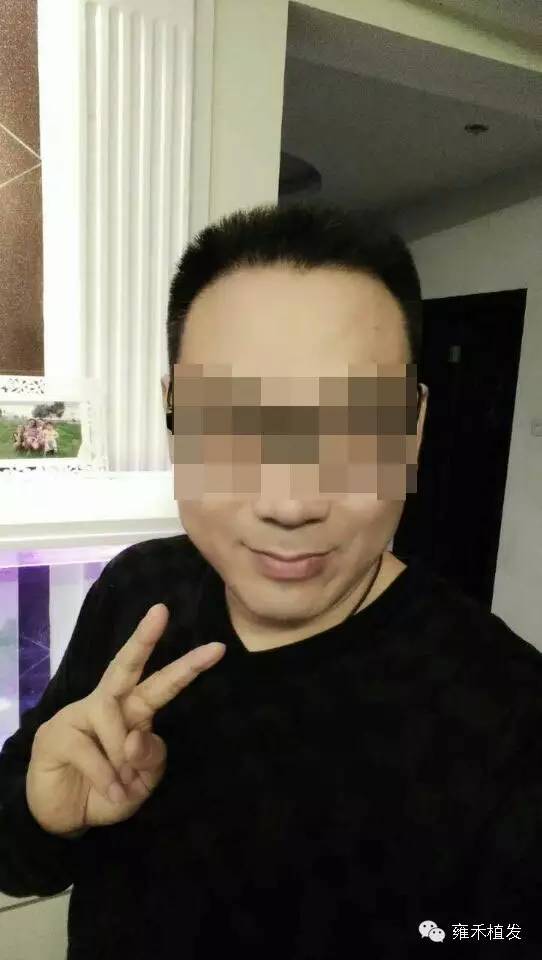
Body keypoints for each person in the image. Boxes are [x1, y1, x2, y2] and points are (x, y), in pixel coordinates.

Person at [0, 203, 541, 959]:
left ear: (414, 429)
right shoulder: (138, 591)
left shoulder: (512, 714)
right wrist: (44, 813)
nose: (290, 504)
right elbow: (19, 854)